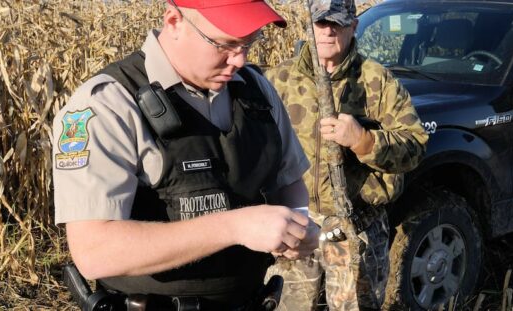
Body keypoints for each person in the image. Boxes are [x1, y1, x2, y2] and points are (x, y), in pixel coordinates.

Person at [51, 0, 320, 309]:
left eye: (249, 43)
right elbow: (95, 252)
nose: (239, 60)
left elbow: (288, 181)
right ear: (174, 20)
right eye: (225, 44)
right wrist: (234, 227)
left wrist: (300, 223)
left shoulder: (256, 90)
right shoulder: (108, 105)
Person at [263, 0, 429, 310]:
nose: (327, 31)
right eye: (320, 22)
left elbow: (415, 147)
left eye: (336, 23)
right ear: (308, 25)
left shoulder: (377, 81)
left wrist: (363, 140)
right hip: (295, 224)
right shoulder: (278, 81)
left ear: (353, 27)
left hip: (356, 227)